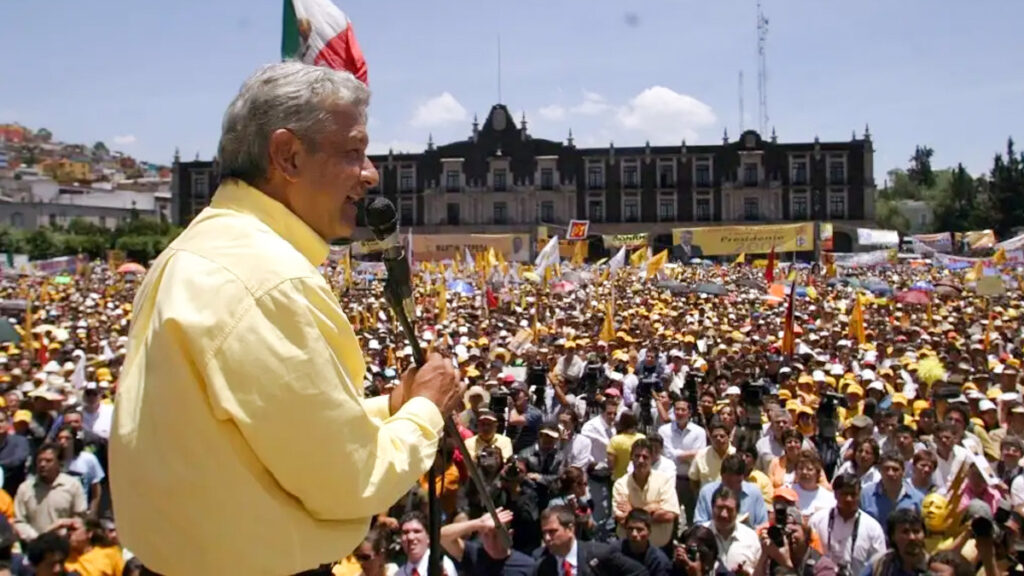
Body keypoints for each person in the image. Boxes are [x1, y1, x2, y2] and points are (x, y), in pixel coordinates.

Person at [109, 62, 461, 575]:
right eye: (353, 152)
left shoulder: (192, 252)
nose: (371, 174)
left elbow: (264, 437)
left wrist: (391, 406)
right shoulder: (269, 279)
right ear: (287, 156)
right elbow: (349, 481)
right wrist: (426, 410)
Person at [807, 473, 886, 576]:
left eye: (853, 494)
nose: (849, 499)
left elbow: (880, 566)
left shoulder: (873, 528)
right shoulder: (817, 521)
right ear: (835, 494)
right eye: (844, 494)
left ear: (859, 495)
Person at [533, 505, 647, 576]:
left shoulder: (599, 554)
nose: (547, 538)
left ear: (570, 529)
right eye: (544, 533)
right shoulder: (543, 565)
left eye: (552, 532)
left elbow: (639, 572)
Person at [612, 438, 681, 548]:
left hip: (660, 549)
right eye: (637, 456)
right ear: (631, 457)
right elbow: (622, 519)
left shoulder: (664, 481)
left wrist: (633, 511)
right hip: (629, 549)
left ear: (652, 459)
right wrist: (651, 508)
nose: (640, 460)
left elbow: (669, 515)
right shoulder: (621, 484)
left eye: (645, 457)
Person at [13, 444, 86, 542]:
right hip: (34, 547)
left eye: (48, 461)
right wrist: (36, 538)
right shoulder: (25, 489)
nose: (43, 464)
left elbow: (80, 518)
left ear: (59, 463)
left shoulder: (72, 486)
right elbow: (19, 521)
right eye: (40, 461)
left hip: (65, 546)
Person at [439, 507, 535, 575]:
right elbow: (441, 536)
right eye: (486, 535)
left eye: (496, 535)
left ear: (510, 535)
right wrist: (478, 523)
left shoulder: (527, 566)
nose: (491, 541)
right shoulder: (474, 554)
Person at [693, 454, 769, 528]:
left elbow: (762, 524)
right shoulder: (707, 493)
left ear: (743, 478)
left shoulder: (754, 493)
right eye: (728, 482)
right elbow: (699, 524)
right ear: (721, 476)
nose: (732, 487)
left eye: (737, 482)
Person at [703, 485, 761, 574]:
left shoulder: (750, 537)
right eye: (719, 508)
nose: (724, 514)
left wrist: (748, 573)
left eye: (729, 510)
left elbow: (762, 572)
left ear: (737, 511)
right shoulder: (700, 534)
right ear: (712, 508)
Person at [858, 508, 928, 576]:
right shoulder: (880, 565)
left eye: (916, 531)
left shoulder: (932, 566)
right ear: (892, 536)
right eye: (905, 532)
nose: (912, 537)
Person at [859, 452, 922, 524]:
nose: (890, 473)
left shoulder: (917, 499)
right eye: (886, 469)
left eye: (895, 469)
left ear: (903, 472)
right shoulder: (866, 494)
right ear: (879, 470)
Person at [397, 511, 457, 576]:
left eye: (417, 531)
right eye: (406, 532)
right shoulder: (399, 574)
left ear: (428, 537)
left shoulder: (443, 565)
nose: (410, 537)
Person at [619, 509, 673, 576]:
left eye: (639, 530)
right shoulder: (614, 553)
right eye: (630, 529)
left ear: (649, 532)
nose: (634, 534)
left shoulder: (659, 561)